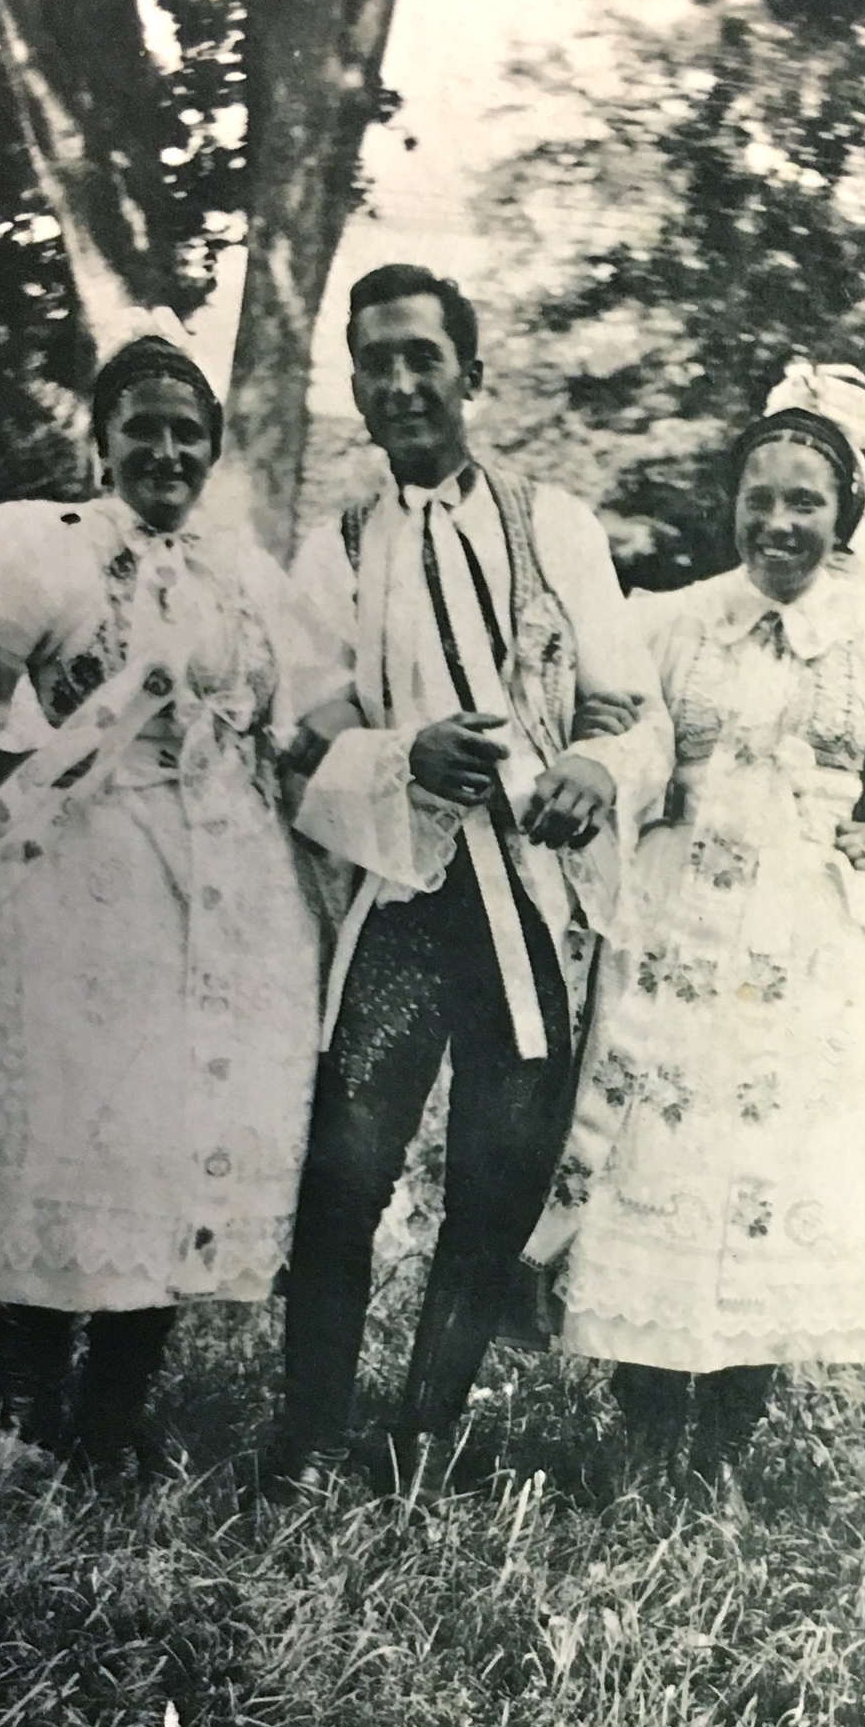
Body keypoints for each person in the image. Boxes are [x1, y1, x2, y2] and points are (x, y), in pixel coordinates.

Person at [525, 360, 865, 1500]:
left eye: (805, 502)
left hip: (806, 944)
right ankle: (642, 1438)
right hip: (674, 931)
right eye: (759, 498)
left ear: (844, 516)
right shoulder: (675, 622)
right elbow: (600, 719)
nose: (778, 523)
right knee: (658, 1152)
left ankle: (719, 1448)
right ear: (732, 504)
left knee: (768, 1167)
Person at [0, 333, 327, 1471]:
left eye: (189, 433)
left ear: (214, 452)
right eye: (143, 428)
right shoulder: (52, 546)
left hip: (234, 887)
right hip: (87, 877)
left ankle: (118, 1403)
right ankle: (28, 1391)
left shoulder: (247, 576)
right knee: (72, 1116)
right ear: (102, 445)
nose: (167, 451)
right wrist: (2, 767)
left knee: (178, 1128)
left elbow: (298, 725)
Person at [275, 263, 672, 1485]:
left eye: (423, 358)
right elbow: (304, 729)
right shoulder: (338, 549)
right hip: (405, 897)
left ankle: (422, 1438)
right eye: (376, 363)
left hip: (536, 904)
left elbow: (629, 707)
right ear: (355, 388)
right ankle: (307, 1433)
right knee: (345, 1169)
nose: (401, 383)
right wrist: (404, 755)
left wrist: (595, 769)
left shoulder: (552, 524)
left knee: (495, 1182)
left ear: (471, 376)